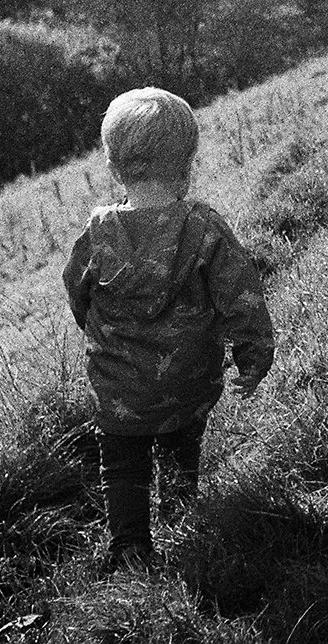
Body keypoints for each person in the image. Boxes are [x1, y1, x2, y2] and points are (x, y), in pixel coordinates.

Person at [64, 87, 275, 571]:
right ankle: (182, 516)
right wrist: (253, 354)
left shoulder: (99, 232)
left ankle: (131, 549)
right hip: (187, 382)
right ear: (187, 163)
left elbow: (77, 291)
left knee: (122, 465)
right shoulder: (202, 226)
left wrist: (99, 334)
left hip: (119, 389)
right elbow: (240, 294)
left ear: (114, 167)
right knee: (182, 445)